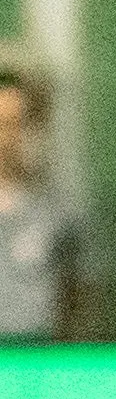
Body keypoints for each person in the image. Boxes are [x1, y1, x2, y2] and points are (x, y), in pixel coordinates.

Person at [0, 68, 86, 342]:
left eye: (15, 123)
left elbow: (81, 289)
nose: (7, 138)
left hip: (39, 358)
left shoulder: (59, 209)